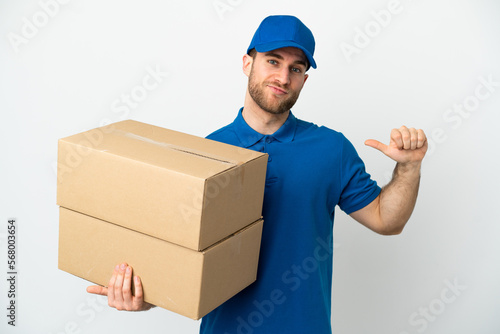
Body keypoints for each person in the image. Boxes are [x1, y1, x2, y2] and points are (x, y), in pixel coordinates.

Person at [87, 15, 427, 333]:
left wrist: (409, 168)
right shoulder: (205, 153)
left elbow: (387, 220)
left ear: (304, 80)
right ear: (247, 63)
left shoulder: (331, 150)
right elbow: (179, 258)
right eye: (273, 61)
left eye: (296, 68)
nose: (283, 77)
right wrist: (142, 296)